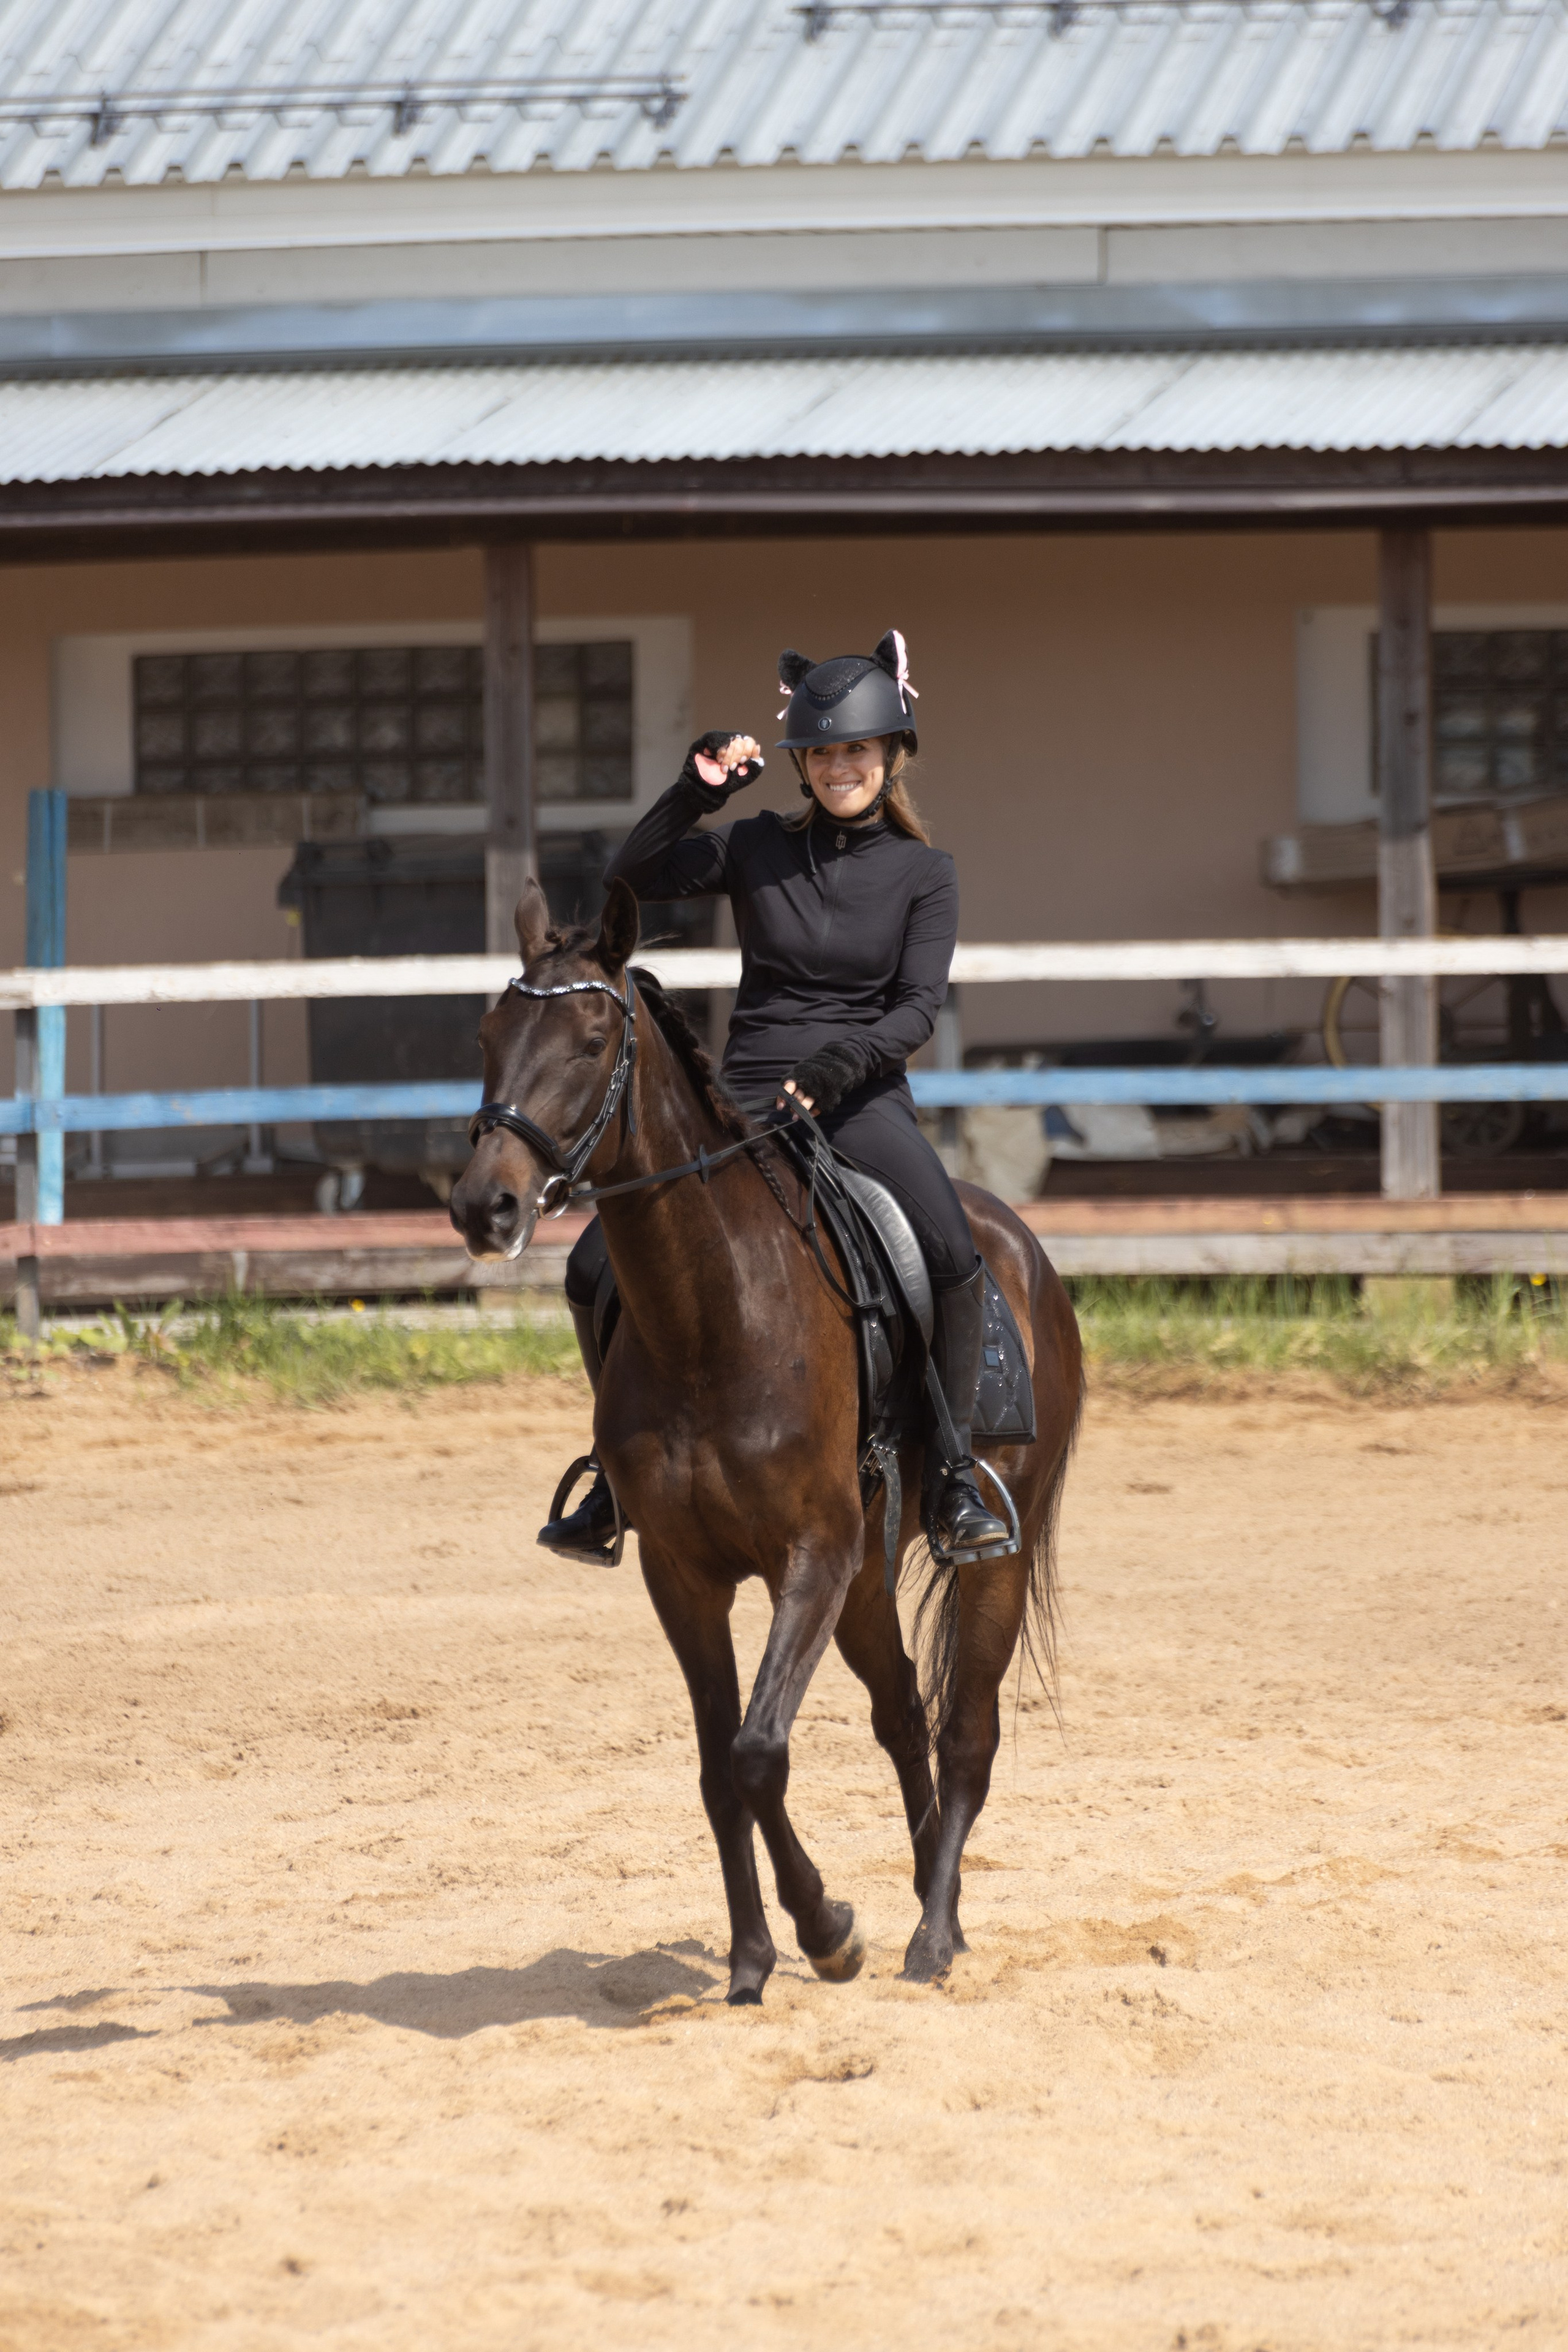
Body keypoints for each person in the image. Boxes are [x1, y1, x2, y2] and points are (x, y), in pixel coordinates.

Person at [538, 629, 1011, 1566]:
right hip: (745, 1092)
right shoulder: (758, 846)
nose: (839, 767)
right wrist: (695, 792)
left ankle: (955, 1472)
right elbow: (630, 878)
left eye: (858, 750)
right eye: (823, 753)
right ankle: (613, 1475)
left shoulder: (927, 874)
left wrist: (841, 1066)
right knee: (594, 1264)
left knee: (953, 1253)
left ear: (892, 754)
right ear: (802, 765)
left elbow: (916, 1009)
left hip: (861, 1097)